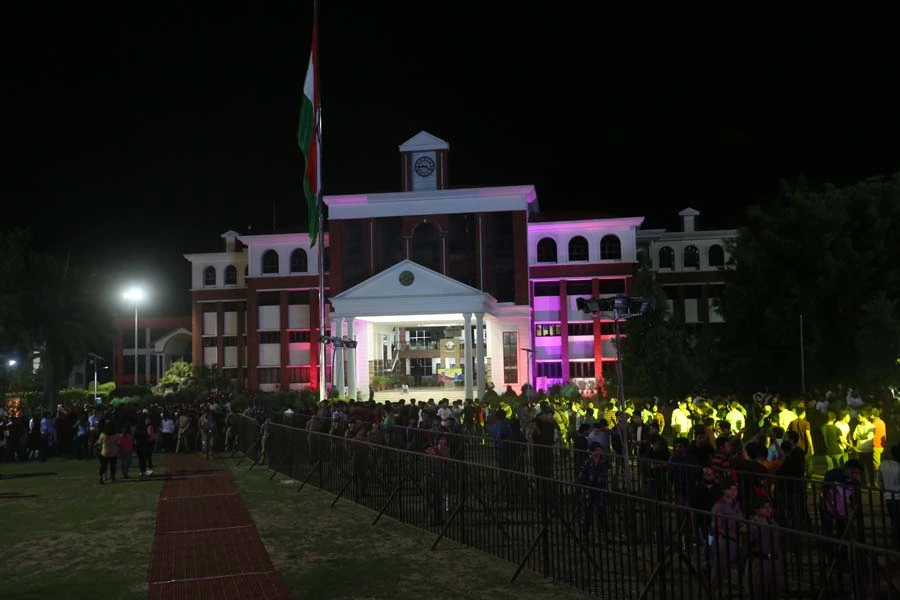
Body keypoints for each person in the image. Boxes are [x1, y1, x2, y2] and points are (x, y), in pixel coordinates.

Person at [877, 443, 900, 549]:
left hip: (888, 497)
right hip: (898, 496)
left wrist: (883, 490)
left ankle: (894, 543)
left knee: (894, 520)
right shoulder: (898, 467)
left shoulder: (883, 465)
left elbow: (879, 481)